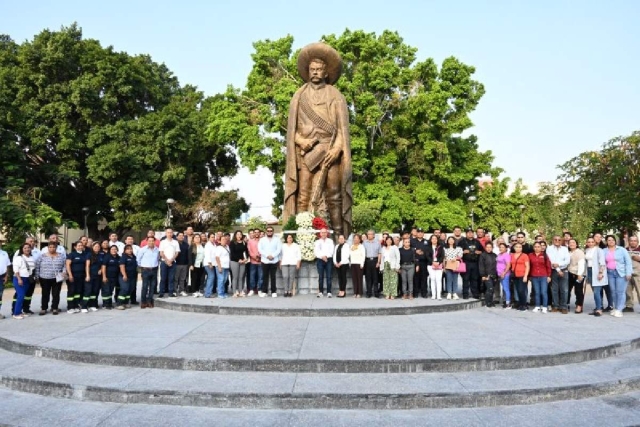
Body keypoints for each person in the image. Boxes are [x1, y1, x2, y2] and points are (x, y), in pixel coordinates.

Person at [283, 42, 353, 237]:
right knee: (303, 195)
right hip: (306, 153)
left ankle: (339, 236)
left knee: (334, 195)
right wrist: (300, 140)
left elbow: (342, 128)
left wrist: (338, 147)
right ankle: (302, 236)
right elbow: (291, 130)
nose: (315, 72)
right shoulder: (299, 96)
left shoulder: (335, 95)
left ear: (325, 72)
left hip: (329, 150)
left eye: (319, 69)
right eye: (312, 69)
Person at [603, 234, 633, 318]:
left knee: (620, 291)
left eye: (612, 240)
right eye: (609, 240)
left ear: (615, 241)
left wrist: (628, 273)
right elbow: (602, 262)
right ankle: (616, 308)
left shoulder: (622, 250)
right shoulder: (604, 251)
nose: (611, 241)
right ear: (606, 242)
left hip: (621, 273)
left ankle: (619, 309)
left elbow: (628, 262)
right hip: (610, 273)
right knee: (613, 291)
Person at [35, 241, 66, 315]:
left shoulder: (61, 256)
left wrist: (64, 272)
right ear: (47, 248)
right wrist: (37, 277)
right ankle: (44, 308)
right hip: (44, 278)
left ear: (56, 248)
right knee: (45, 293)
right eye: (50, 247)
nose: (52, 248)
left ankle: (55, 308)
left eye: (53, 247)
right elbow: (37, 267)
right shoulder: (42, 256)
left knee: (56, 294)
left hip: (57, 278)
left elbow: (65, 265)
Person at [546, 235, 571, 313]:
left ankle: (563, 306)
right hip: (554, 271)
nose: (557, 241)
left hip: (564, 270)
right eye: (555, 239)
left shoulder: (565, 249)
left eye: (559, 240)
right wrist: (558, 270)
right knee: (554, 289)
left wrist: (559, 265)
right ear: (552, 240)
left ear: (561, 241)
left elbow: (567, 261)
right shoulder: (549, 249)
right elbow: (551, 260)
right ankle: (556, 305)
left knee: (564, 289)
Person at [11, 243, 35, 319]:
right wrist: (19, 279)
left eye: (28, 248)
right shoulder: (18, 258)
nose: (27, 249)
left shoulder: (32, 258)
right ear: (21, 249)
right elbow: (15, 270)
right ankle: (16, 313)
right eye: (25, 248)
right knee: (21, 295)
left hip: (27, 279)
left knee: (22, 296)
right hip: (19, 278)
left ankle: (20, 311)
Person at [584, 236, 607, 316]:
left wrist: (600, 272)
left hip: (597, 271)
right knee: (595, 291)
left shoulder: (599, 250)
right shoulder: (586, 250)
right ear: (586, 243)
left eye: (592, 242)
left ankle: (599, 309)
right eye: (589, 242)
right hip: (589, 271)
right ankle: (598, 307)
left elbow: (602, 262)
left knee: (597, 292)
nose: (590, 243)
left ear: (595, 242)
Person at [458, 228, 483, 299]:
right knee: (465, 279)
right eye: (468, 232)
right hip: (466, 263)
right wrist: (463, 252)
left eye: (471, 232)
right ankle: (465, 294)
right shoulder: (462, 242)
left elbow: (482, 251)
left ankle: (475, 294)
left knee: (474, 279)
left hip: (475, 263)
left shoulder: (477, 242)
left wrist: (479, 252)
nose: (470, 234)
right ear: (466, 234)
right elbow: (457, 252)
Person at [258, 227, 282, 298]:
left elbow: (279, 249)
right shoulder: (262, 240)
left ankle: (273, 291)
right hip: (264, 260)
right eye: (268, 231)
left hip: (274, 260)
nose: (269, 232)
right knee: (265, 277)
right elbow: (260, 249)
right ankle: (264, 291)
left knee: (273, 277)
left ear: (273, 232)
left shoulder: (277, 239)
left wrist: (273, 255)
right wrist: (267, 256)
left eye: (271, 231)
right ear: (266, 232)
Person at [137, 236, 160, 308]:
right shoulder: (143, 249)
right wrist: (143, 267)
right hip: (145, 270)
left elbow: (158, 258)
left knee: (152, 287)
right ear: (147, 242)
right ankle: (143, 302)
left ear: (154, 241)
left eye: (152, 241)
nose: (151, 242)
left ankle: (150, 301)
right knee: (145, 286)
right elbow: (138, 259)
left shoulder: (157, 250)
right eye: (149, 241)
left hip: (154, 269)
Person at [528, 242, 551, 313]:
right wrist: (529, 276)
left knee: (543, 292)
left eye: (538, 247)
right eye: (535, 247)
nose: (537, 248)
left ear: (541, 248)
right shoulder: (530, 255)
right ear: (533, 248)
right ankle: (537, 306)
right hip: (534, 276)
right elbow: (529, 266)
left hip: (543, 276)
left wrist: (549, 276)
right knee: (537, 292)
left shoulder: (544, 255)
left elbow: (548, 266)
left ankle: (544, 306)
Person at [65, 241, 87, 314]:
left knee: (78, 291)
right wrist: (70, 275)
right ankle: (70, 307)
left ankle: (76, 305)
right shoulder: (71, 255)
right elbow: (68, 265)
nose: (80, 247)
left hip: (81, 276)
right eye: (78, 245)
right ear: (75, 247)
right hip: (73, 276)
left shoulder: (85, 254)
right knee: (71, 291)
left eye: (81, 246)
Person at [159, 228, 180, 298]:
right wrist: (167, 260)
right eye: (168, 232)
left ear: (172, 233)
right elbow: (161, 253)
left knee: (171, 278)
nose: (169, 234)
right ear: (166, 233)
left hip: (173, 262)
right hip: (164, 262)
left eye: (171, 232)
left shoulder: (175, 242)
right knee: (163, 278)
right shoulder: (162, 242)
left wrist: (171, 260)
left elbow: (177, 253)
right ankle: (161, 292)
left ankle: (171, 292)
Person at [83, 242, 103, 312]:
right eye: (95, 246)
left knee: (95, 291)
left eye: (98, 246)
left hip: (97, 276)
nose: (97, 248)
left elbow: (102, 265)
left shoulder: (101, 255)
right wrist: (87, 275)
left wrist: (101, 270)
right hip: (90, 275)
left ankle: (92, 305)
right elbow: (87, 266)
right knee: (88, 291)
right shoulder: (89, 255)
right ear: (92, 247)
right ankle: (84, 306)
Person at [567, 238, 586, 313]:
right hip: (569, 273)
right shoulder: (568, 252)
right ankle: (566, 303)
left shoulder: (579, 252)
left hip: (578, 274)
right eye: (570, 243)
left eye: (573, 242)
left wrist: (579, 274)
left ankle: (579, 305)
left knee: (578, 290)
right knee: (567, 290)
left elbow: (581, 264)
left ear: (576, 244)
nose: (571, 244)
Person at [314, 228, 335, 298]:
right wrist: (322, 257)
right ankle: (320, 292)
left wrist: (326, 256)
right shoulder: (317, 242)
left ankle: (329, 292)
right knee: (321, 276)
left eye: (325, 232)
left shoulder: (330, 241)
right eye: (322, 232)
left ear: (327, 233)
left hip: (328, 260)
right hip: (320, 260)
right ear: (320, 234)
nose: (323, 234)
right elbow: (316, 252)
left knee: (329, 276)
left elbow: (331, 250)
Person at [116, 244, 137, 309]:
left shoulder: (133, 257)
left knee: (130, 289)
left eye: (130, 249)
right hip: (124, 276)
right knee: (125, 289)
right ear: (125, 250)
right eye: (128, 249)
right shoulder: (124, 257)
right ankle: (119, 303)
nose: (130, 250)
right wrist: (124, 275)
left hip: (132, 276)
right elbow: (122, 266)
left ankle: (125, 302)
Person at [510, 243, 530, 311]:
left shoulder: (525, 255)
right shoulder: (512, 255)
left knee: (522, 290)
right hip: (515, 275)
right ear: (514, 248)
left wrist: (525, 276)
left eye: (520, 247)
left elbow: (527, 266)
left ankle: (524, 305)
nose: (518, 248)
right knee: (518, 290)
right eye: (517, 247)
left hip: (522, 275)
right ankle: (520, 304)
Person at [229, 230, 249, 298]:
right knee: (235, 277)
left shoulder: (244, 242)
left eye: (240, 234)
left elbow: (246, 251)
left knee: (241, 277)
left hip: (243, 262)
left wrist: (246, 258)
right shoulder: (232, 243)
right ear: (235, 235)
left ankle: (241, 291)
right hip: (234, 261)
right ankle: (234, 292)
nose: (239, 235)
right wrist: (238, 260)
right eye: (238, 234)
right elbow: (232, 253)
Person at [363, 230, 382, 298]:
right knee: (368, 278)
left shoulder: (377, 243)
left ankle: (376, 292)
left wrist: (378, 262)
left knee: (375, 278)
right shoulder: (364, 243)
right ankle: (369, 292)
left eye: (371, 234)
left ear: (373, 235)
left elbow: (380, 253)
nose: (369, 235)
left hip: (375, 260)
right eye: (368, 234)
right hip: (367, 261)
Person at [411, 228, 429, 298]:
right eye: (419, 232)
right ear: (416, 233)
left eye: (422, 232)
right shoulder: (412, 241)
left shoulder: (427, 242)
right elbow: (410, 250)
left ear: (423, 233)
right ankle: (415, 292)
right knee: (415, 278)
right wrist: (415, 251)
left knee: (424, 277)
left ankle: (424, 292)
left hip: (424, 262)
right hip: (415, 262)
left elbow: (429, 251)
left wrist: (423, 253)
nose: (420, 233)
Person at [479, 242, 498, 307]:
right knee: (490, 288)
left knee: (492, 289)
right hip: (487, 275)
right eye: (487, 247)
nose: (489, 249)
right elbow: (481, 266)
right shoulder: (482, 255)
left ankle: (491, 301)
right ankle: (488, 302)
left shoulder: (495, 255)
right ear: (485, 248)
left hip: (494, 275)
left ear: (492, 248)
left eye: (490, 247)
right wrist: (483, 275)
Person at [624, 235, 640, 312]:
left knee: (639, 290)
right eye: (631, 240)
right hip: (627, 273)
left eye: (635, 241)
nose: (633, 242)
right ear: (629, 241)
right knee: (628, 291)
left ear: (637, 242)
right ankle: (629, 306)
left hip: (638, 274)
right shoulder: (625, 250)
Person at [214, 234, 231, 299]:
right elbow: (217, 257)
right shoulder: (219, 248)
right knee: (221, 280)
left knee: (224, 280)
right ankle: (220, 293)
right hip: (221, 266)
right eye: (223, 239)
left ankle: (223, 292)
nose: (224, 240)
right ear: (220, 241)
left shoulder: (227, 247)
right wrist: (219, 266)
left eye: (225, 239)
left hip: (226, 266)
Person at [247, 228, 262, 296]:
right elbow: (249, 251)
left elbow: (264, 250)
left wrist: (259, 257)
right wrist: (254, 257)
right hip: (253, 261)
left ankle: (259, 290)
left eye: (258, 232)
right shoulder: (250, 241)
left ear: (259, 233)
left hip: (261, 261)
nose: (256, 233)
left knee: (260, 276)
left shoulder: (262, 241)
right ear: (253, 233)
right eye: (255, 232)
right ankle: (252, 289)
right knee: (252, 276)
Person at [174, 232, 190, 297]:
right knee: (175, 278)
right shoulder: (174, 244)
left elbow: (188, 254)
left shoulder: (186, 244)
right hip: (177, 264)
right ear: (176, 237)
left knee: (182, 278)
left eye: (182, 236)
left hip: (185, 264)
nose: (181, 237)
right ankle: (174, 290)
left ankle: (181, 290)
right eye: (179, 236)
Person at [496, 242, 511, 308]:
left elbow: (508, 265)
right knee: (504, 288)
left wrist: (504, 273)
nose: (501, 248)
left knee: (506, 289)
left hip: (505, 274)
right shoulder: (499, 254)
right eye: (500, 247)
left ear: (506, 249)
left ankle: (508, 303)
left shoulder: (506, 255)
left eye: (503, 247)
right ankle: (506, 302)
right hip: (499, 274)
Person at [203, 233, 218, 298]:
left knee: (210, 278)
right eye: (211, 237)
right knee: (211, 277)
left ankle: (207, 290)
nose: (213, 238)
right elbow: (207, 255)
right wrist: (210, 263)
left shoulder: (214, 244)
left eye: (213, 237)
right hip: (208, 264)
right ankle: (207, 293)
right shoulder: (207, 245)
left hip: (214, 263)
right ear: (208, 238)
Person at [0, 241, 10, 319]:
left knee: (0, 296)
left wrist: (6, 276)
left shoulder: (4, 253)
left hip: (1, 277)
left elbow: (7, 265)